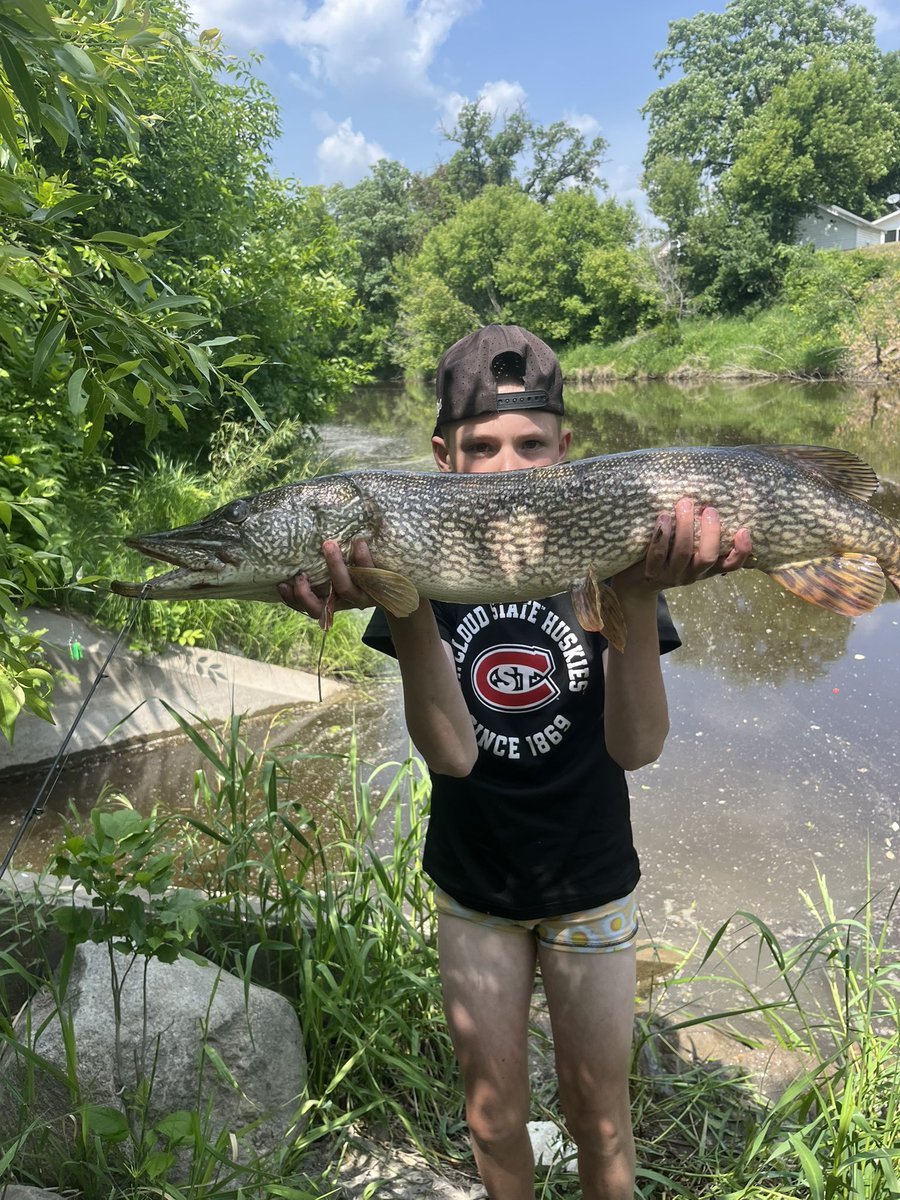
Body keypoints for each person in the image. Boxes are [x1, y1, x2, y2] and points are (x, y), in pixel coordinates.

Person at [279, 324, 752, 1200]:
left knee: (600, 1116)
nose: (509, 466)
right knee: (493, 1117)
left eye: (531, 444)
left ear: (564, 449)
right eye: (483, 446)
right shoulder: (416, 566)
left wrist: (638, 591)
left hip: (590, 880)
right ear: (443, 459)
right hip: (476, 888)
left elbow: (637, 746)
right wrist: (403, 604)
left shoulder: (613, 556)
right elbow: (452, 756)